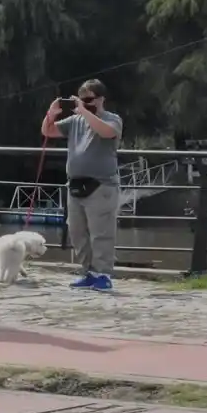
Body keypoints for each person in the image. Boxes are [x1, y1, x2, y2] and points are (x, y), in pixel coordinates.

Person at [41, 78, 123, 292]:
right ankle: (88, 272)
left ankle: (103, 274)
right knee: (78, 233)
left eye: (89, 99)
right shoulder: (74, 121)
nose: (84, 103)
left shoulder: (112, 119)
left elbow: (107, 132)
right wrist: (51, 113)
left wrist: (84, 112)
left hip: (101, 185)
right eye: (81, 99)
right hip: (76, 184)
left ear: (101, 99)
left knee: (101, 233)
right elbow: (48, 131)